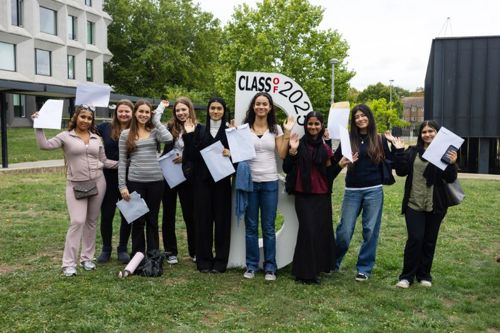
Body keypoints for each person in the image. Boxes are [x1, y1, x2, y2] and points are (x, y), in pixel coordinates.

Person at [32, 105, 118, 277]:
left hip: (98, 182)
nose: (86, 121)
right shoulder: (65, 136)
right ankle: (69, 263)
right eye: (83, 117)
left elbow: (104, 161)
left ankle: (87, 258)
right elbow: (45, 145)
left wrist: (124, 164)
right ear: (76, 117)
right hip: (76, 184)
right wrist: (38, 126)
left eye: (89, 118)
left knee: (92, 221)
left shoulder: (96, 138)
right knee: (77, 221)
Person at [283, 111, 354, 284]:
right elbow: (286, 168)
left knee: (321, 231)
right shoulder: (297, 144)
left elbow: (328, 175)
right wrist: (292, 151)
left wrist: (339, 165)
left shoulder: (325, 148)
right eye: (310, 124)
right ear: (305, 125)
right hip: (303, 195)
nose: (313, 127)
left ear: (322, 126)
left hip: (322, 196)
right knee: (308, 230)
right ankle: (304, 273)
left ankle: (316, 269)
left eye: (316, 124)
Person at [387, 121, 458, 288]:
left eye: (431, 131)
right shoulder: (413, 152)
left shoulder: (446, 153)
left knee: (429, 241)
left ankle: (424, 275)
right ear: (420, 135)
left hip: (436, 204)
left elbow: (450, 178)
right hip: (414, 203)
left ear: (437, 133)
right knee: (415, 239)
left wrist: (452, 163)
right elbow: (401, 171)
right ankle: (406, 277)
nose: (427, 134)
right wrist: (397, 150)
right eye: (424, 132)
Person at [333, 103, 393, 281]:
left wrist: (397, 148)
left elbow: (391, 162)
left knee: (370, 230)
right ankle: (333, 262)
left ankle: (364, 268)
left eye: (363, 115)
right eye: (357, 117)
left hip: (373, 190)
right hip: (352, 190)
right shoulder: (348, 139)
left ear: (369, 117)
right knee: (344, 231)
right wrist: (340, 158)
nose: (360, 119)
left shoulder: (380, 139)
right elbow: (334, 161)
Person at [241, 92, 294, 281]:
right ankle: (251, 265)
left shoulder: (276, 129)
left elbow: (282, 154)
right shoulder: (244, 128)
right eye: (258, 104)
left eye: (264, 104)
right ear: (253, 107)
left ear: (270, 107)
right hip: (250, 183)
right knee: (251, 226)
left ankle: (270, 267)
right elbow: (239, 153)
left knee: (269, 226)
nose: (261, 107)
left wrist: (287, 132)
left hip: (270, 181)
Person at [183, 97, 233, 273]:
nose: (216, 111)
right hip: (202, 183)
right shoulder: (198, 130)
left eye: (219, 108)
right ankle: (203, 261)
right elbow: (190, 155)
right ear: (208, 110)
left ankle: (220, 261)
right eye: (213, 108)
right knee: (202, 221)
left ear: (224, 111)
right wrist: (188, 135)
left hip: (222, 183)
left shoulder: (230, 131)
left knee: (222, 222)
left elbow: (239, 157)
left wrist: (231, 153)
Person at [118, 100, 172, 258]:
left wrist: (156, 120)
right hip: (135, 181)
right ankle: (138, 256)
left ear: (150, 114)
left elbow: (168, 138)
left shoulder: (155, 131)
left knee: (152, 220)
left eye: (147, 112)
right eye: (141, 111)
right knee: (138, 221)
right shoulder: (125, 134)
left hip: (156, 182)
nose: (143, 115)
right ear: (135, 113)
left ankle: (153, 255)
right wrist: (122, 186)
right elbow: (122, 162)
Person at [161, 97, 198, 265]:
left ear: (190, 109)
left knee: (190, 214)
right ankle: (170, 251)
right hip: (169, 174)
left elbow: (199, 152)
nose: (181, 113)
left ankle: (195, 250)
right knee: (168, 214)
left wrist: (185, 158)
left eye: (184, 109)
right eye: (178, 110)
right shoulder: (169, 128)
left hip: (188, 176)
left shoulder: (198, 128)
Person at [96, 100, 133, 264]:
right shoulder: (104, 128)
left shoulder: (138, 129)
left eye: (127, 111)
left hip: (130, 177)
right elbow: (83, 132)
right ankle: (106, 248)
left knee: (128, 214)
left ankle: (123, 248)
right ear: (116, 113)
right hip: (109, 177)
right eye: (121, 111)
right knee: (107, 214)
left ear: (132, 112)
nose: (124, 114)